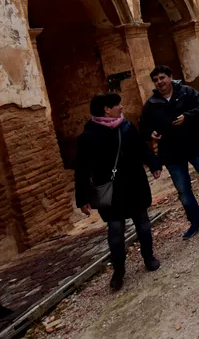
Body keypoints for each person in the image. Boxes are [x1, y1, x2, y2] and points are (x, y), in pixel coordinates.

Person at [75, 92, 162, 292]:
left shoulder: (126, 126)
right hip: (110, 190)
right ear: (107, 109)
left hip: (134, 183)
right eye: (117, 104)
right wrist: (83, 197)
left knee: (142, 222)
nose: (121, 107)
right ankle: (119, 271)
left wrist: (153, 163)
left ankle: (149, 258)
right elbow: (82, 169)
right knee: (115, 230)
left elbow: (141, 148)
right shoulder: (88, 136)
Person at [140, 65, 199, 239]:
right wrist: (150, 133)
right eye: (156, 80)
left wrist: (187, 117)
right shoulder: (151, 104)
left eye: (162, 78)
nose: (159, 82)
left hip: (194, 145)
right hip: (171, 153)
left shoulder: (187, 92)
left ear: (170, 77)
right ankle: (196, 221)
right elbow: (144, 126)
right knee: (183, 190)